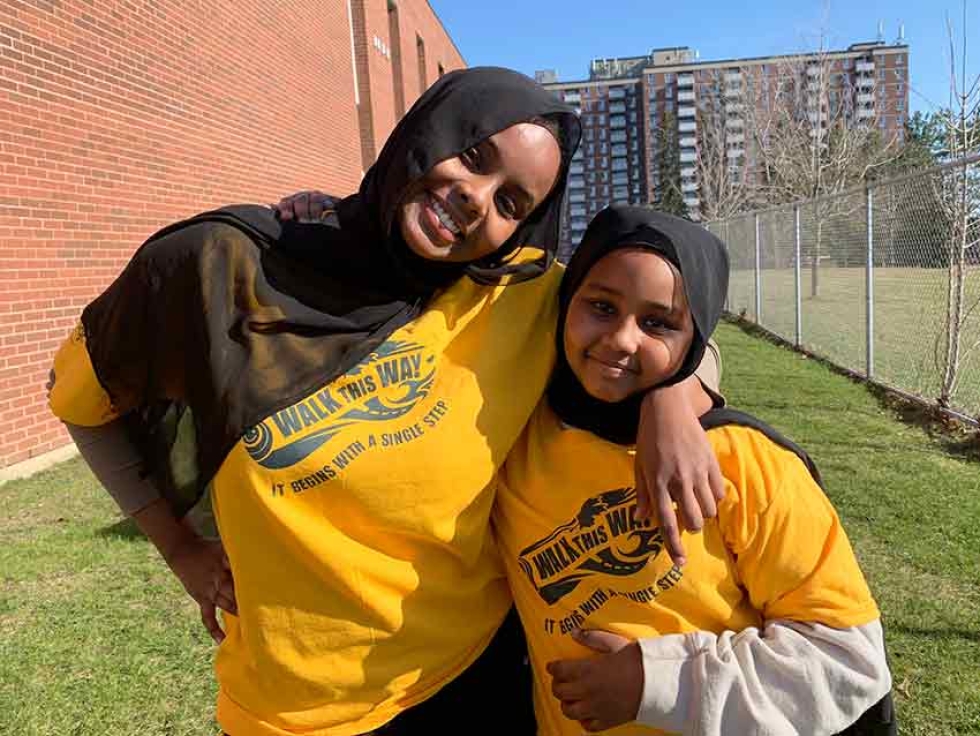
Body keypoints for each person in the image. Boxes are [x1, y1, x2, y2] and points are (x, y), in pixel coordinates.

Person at [48, 69, 722, 736]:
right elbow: (82, 400)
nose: (476, 198)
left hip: (475, 680)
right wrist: (180, 549)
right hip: (290, 710)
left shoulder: (520, 296)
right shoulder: (223, 267)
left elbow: (657, 332)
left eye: (512, 203)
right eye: (475, 153)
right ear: (425, 128)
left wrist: (670, 397)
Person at [494, 205, 896, 735]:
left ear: (696, 339)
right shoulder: (514, 439)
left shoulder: (746, 463)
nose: (620, 339)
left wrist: (656, 684)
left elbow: (848, 661)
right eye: (600, 306)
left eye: (658, 323)